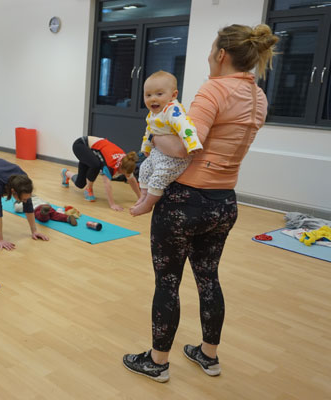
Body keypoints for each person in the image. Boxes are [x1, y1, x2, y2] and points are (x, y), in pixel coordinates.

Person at [122, 24, 278, 383]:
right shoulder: (258, 96)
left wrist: (155, 132)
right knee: (208, 278)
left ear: (221, 55)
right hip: (224, 203)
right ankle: (208, 356)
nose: (209, 58)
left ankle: (157, 363)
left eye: (210, 52)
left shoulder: (213, 90)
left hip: (185, 203)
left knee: (168, 282)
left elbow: (182, 148)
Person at [130, 71, 203, 216]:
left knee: (159, 176)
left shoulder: (172, 110)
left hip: (174, 158)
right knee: (144, 168)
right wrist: (146, 147)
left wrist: (192, 144)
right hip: (159, 152)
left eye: (159, 94)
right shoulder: (153, 113)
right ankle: (144, 197)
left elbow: (186, 127)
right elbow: (149, 131)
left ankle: (148, 204)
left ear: (173, 95)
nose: (153, 99)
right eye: (148, 95)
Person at [60, 136, 141, 211]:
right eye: (122, 173)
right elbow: (107, 184)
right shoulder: (110, 165)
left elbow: (132, 180)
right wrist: (112, 204)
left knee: (80, 184)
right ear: (120, 165)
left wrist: (140, 198)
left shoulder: (127, 161)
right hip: (81, 145)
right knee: (96, 165)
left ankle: (66, 173)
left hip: (91, 152)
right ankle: (88, 189)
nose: (121, 174)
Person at [14, 195, 78, 226]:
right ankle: (67, 218)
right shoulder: (37, 197)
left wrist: (16, 203)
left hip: (37, 208)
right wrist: (47, 205)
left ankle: (44, 213)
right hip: (46, 205)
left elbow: (17, 208)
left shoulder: (25, 202)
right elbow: (46, 202)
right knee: (56, 215)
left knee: (42, 217)